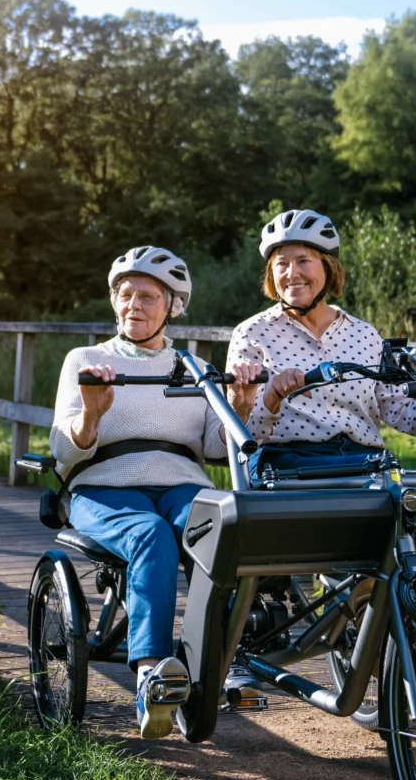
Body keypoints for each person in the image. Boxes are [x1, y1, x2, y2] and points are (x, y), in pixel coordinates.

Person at [51, 246, 264, 738]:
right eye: (125, 295)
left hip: (182, 483)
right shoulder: (86, 360)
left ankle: (223, 661)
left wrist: (243, 403)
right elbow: (64, 451)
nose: (134, 305)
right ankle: (151, 675)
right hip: (104, 486)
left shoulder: (193, 368)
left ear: (173, 306)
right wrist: (93, 412)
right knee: (150, 534)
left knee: (226, 527)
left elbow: (214, 446)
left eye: (147, 296)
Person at [225, 208, 416, 482]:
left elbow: (404, 414)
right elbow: (242, 436)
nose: (292, 273)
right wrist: (273, 398)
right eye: (281, 264)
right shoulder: (252, 333)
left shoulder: (363, 334)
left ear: (328, 266)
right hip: (287, 463)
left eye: (303, 261)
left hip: (364, 462)